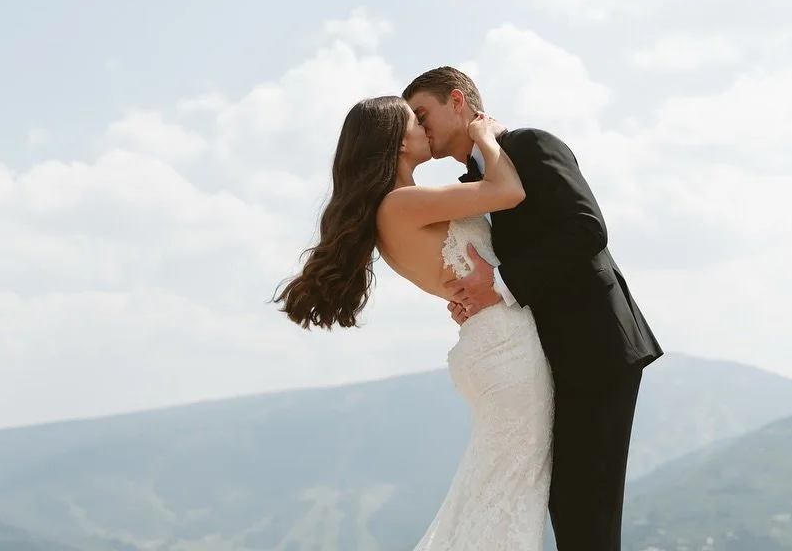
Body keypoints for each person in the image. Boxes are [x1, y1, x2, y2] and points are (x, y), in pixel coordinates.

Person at [274, 94, 554, 551]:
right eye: (416, 122)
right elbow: (509, 192)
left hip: (490, 346)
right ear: (398, 143)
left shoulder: (399, 209)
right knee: (505, 497)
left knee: (495, 494)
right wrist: (485, 135)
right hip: (506, 354)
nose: (427, 129)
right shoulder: (401, 204)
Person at [402, 67, 663, 551]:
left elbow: (587, 228)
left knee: (588, 510)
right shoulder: (480, 181)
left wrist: (498, 285)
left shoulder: (533, 145)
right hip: (551, 357)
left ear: (458, 102)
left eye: (423, 114)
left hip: (597, 349)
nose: (420, 128)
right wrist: (475, 299)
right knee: (566, 507)